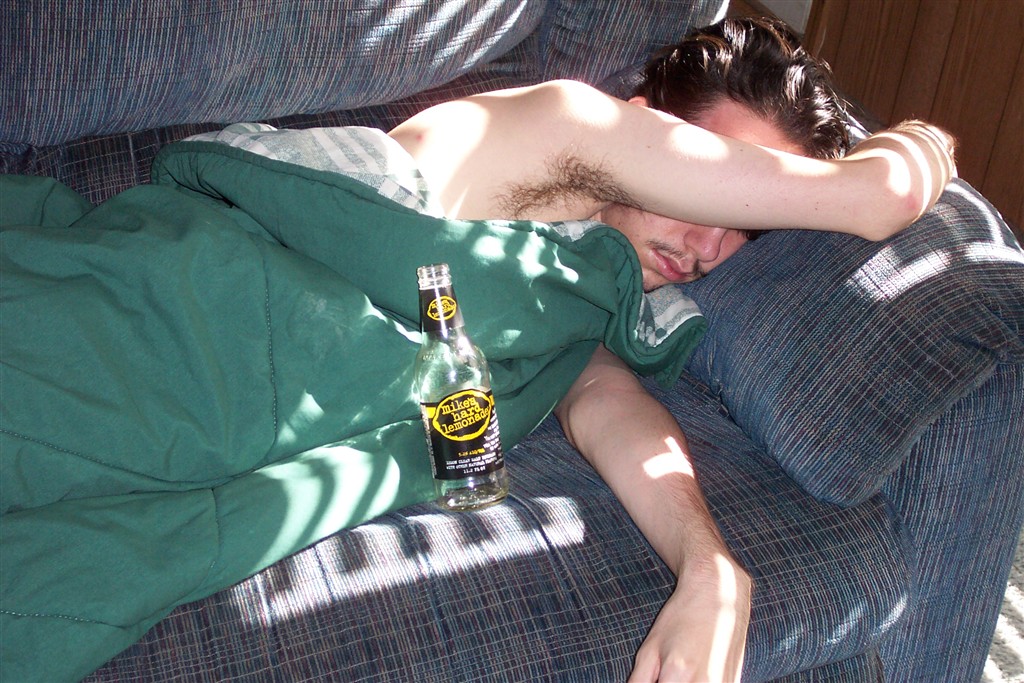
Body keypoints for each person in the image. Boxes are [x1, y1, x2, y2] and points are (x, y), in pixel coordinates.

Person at [387, 17, 956, 682]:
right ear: (642, 121)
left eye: (747, 223)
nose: (709, 246)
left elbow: (604, 398)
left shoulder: (579, 286)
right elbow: (886, 194)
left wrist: (710, 567)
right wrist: (933, 138)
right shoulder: (566, 125)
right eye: (716, 179)